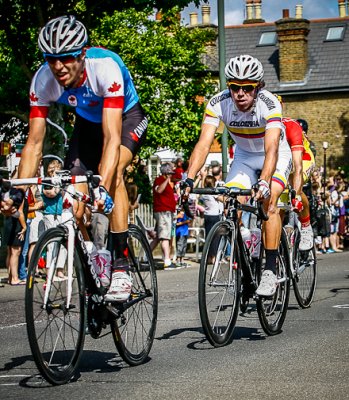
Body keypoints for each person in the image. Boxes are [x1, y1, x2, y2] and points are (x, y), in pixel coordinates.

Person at [15, 15, 148, 302]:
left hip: (125, 118)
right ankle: (95, 255)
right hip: (87, 125)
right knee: (74, 200)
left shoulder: (105, 68)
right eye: (51, 59)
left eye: (67, 58)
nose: (59, 66)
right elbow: (34, 142)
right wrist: (16, 192)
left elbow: (112, 138)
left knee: (113, 176)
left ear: (82, 54)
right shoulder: (43, 80)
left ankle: (121, 265)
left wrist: (102, 184)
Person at [182, 54, 292, 297]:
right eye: (234, 87)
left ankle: (270, 270)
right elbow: (203, 143)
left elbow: (272, 148)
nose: (240, 93)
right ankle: (245, 244)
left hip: (274, 155)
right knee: (231, 200)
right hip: (243, 156)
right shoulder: (217, 103)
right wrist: (188, 178)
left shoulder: (270, 103)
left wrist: (264, 181)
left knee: (269, 201)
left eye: (247, 88)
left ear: (258, 87)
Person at [276, 107, 315, 251]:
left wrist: (296, 196)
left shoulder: (291, 127)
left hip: (302, 158)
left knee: (292, 185)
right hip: (284, 161)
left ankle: (306, 226)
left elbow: (297, 167)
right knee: (276, 196)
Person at [150, 163, 177, 269]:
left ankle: (145, 256)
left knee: (157, 237)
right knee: (165, 236)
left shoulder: (167, 182)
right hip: (163, 211)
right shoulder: (160, 180)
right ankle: (167, 260)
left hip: (166, 211)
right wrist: (166, 180)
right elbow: (159, 190)